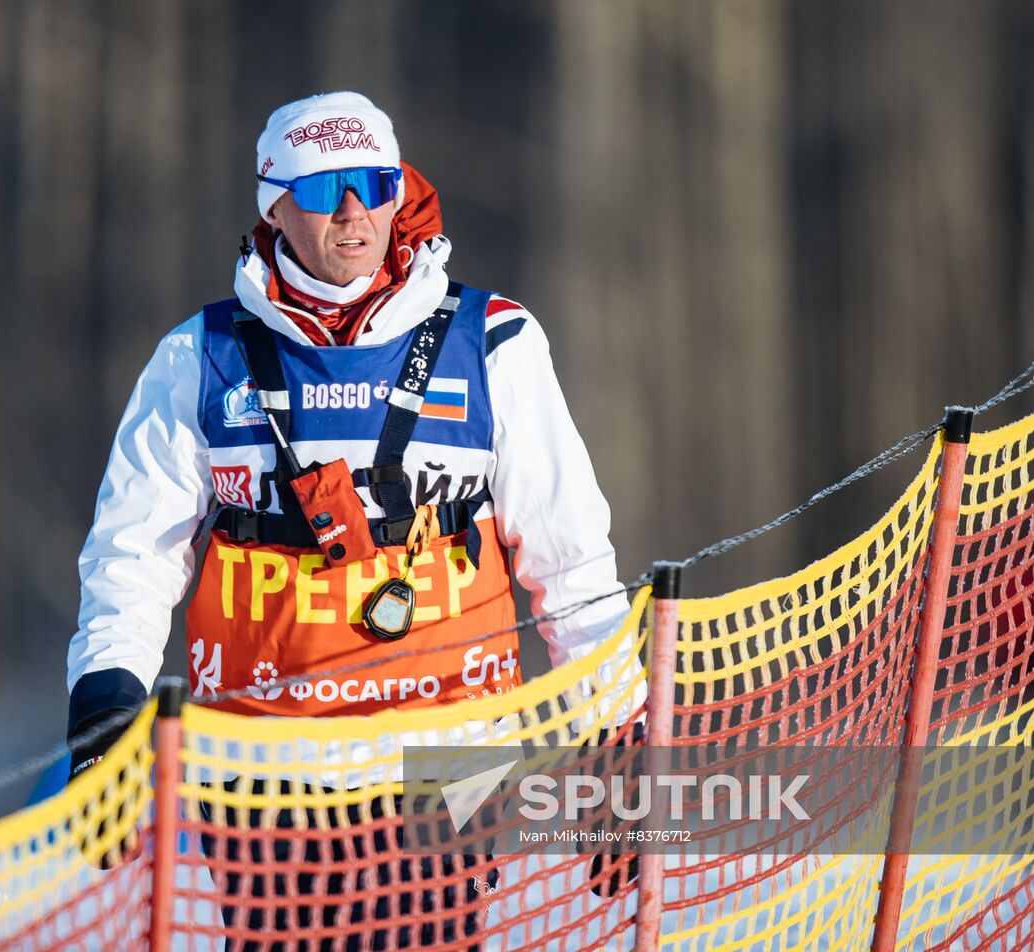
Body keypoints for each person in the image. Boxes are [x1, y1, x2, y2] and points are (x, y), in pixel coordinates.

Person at [65, 91, 639, 948]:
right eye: (325, 186)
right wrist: (106, 708)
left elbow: (572, 563)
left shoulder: (494, 340)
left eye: (373, 182)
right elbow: (130, 557)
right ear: (276, 204)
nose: (354, 210)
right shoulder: (198, 357)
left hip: (449, 740)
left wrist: (614, 749)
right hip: (262, 757)